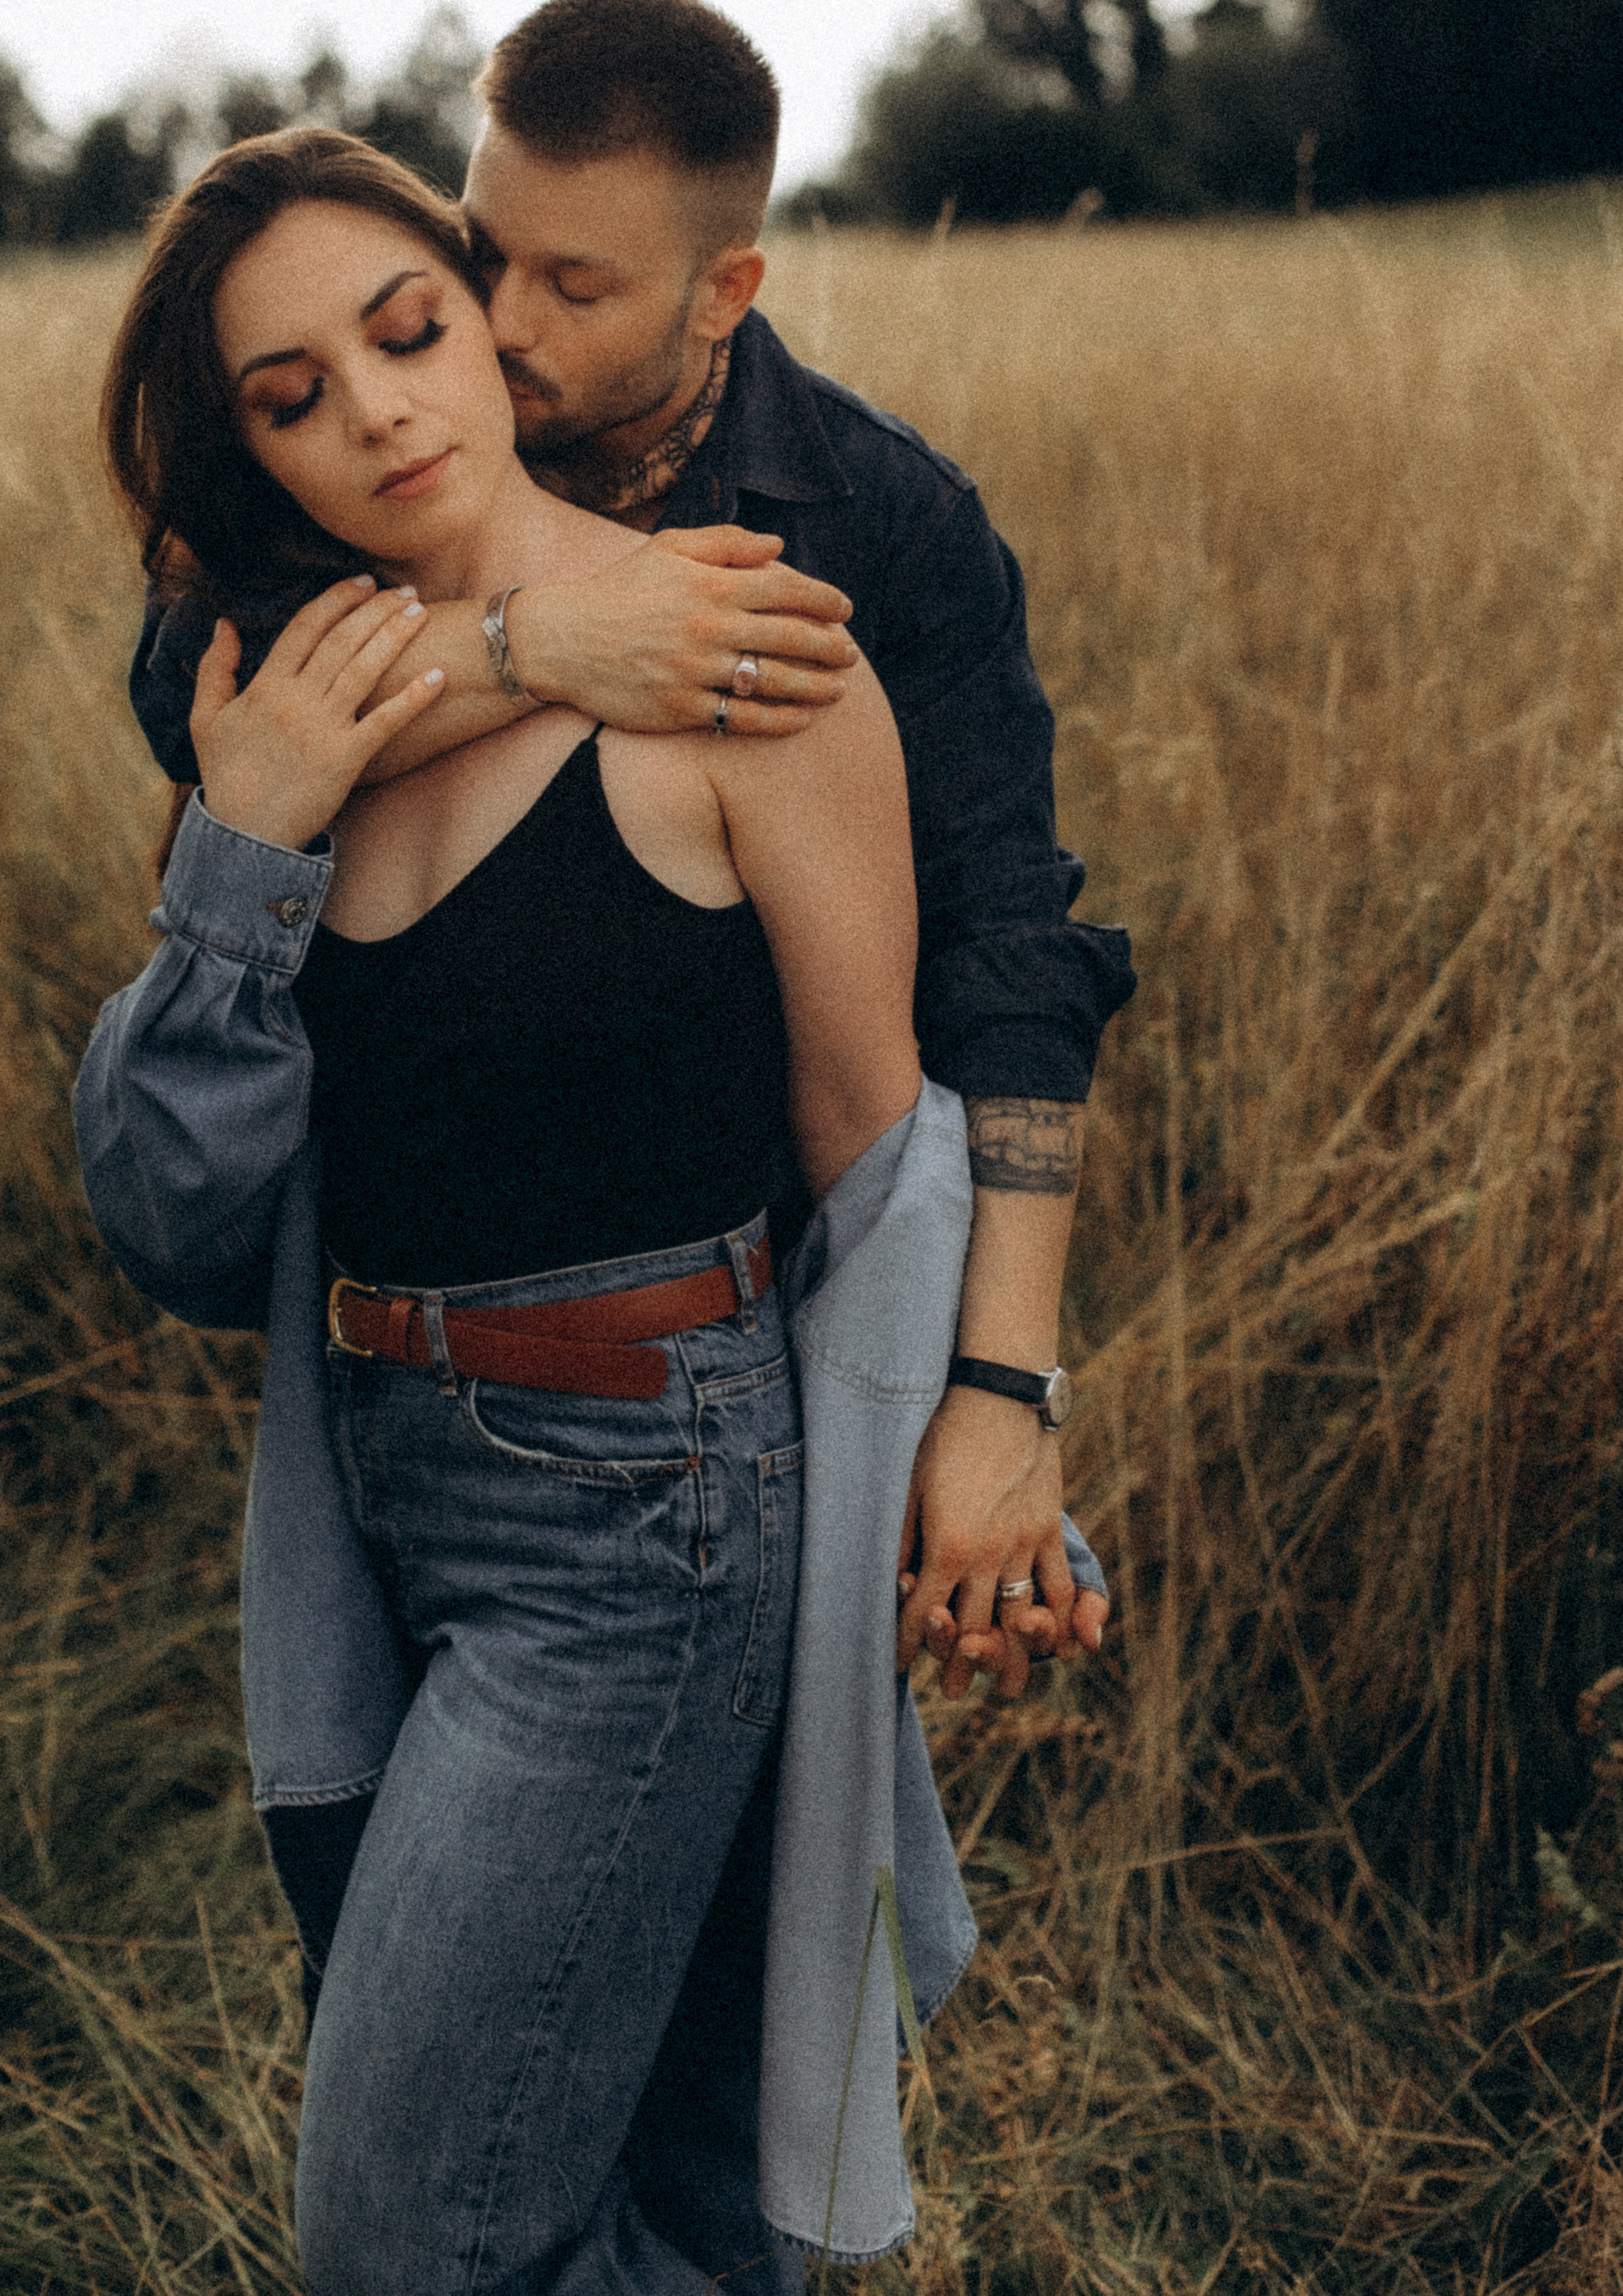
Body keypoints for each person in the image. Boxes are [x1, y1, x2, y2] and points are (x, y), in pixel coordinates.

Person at [73, 129, 1055, 2289]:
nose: (379, 409)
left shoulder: (746, 663)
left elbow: (874, 1162)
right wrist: (241, 848)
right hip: (362, 1503)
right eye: (292, 396)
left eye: (408, 332)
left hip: (648, 1514)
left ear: (496, 320)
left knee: (412, 2231)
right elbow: (168, 1225)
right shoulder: (285, 717)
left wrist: (993, 1441)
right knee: (613, 2146)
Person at [130, 0, 1135, 1700]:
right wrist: (539, 648)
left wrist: (993, 1396)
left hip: (736, 1339)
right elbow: (204, 719)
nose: (496, 322)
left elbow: (1006, 966)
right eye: (482, 249)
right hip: (396, 1359)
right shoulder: (391, 431)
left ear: (723, 288)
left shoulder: (879, 525)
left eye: (574, 285)